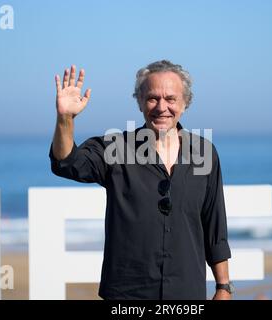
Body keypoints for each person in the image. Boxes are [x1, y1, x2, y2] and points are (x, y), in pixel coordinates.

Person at [49, 60, 233, 300]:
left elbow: (214, 225)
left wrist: (223, 287)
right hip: (127, 295)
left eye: (170, 98)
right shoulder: (116, 148)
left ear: (185, 103)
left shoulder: (204, 152)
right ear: (139, 102)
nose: (161, 107)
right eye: (152, 98)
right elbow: (67, 163)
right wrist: (65, 119)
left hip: (186, 293)